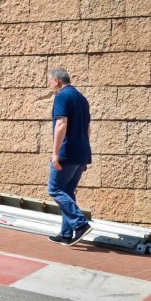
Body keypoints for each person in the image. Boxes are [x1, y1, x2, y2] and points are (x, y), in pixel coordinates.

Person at [45, 67, 92, 245]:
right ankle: (66, 234)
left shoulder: (62, 97)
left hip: (67, 152)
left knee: (55, 189)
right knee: (68, 192)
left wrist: (55, 153)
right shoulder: (82, 98)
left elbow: (61, 125)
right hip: (82, 152)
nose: (50, 86)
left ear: (57, 81)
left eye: (50, 82)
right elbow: (88, 128)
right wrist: (85, 155)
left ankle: (80, 224)